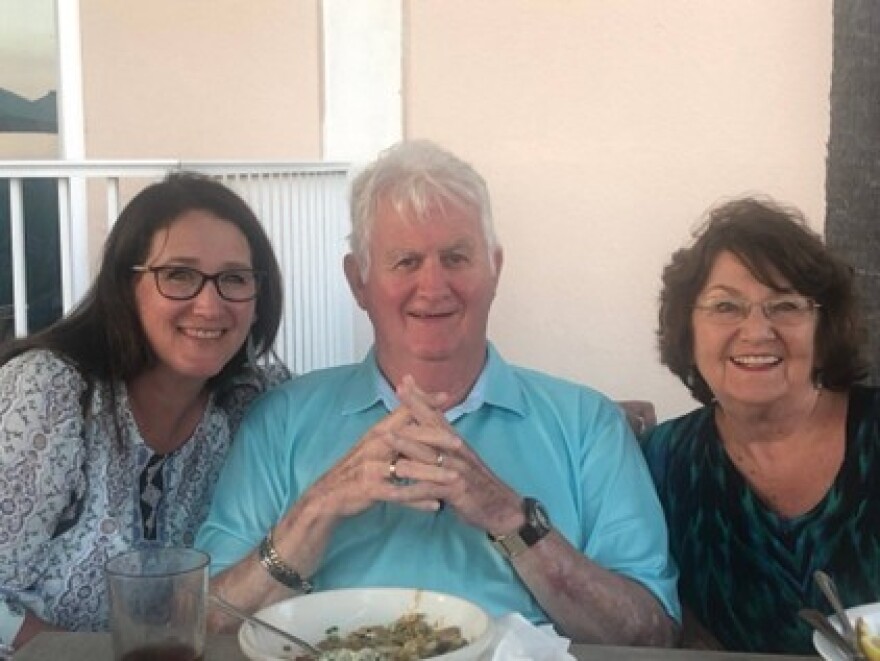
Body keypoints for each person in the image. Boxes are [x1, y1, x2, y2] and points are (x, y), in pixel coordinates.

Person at [197, 140, 680, 646]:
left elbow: (651, 636)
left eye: (456, 257)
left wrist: (511, 519)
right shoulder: (281, 421)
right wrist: (315, 510)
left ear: (494, 268)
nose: (433, 286)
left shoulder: (589, 425)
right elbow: (207, 625)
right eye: (405, 261)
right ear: (358, 281)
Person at [0, 173, 288, 651]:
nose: (210, 304)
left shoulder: (252, 401)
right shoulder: (49, 393)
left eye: (235, 278)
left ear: (258, 301)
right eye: (179, 274)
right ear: (125, 288)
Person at [641, 196, 875, 654]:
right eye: (725, 306)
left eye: (785, 306)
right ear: (688, 332)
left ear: (824, 330)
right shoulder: (660, 460)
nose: (756, 331)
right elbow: (660, 609)